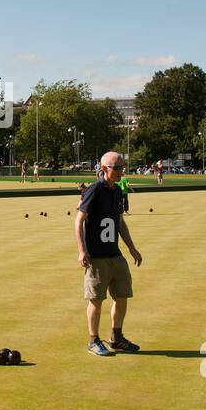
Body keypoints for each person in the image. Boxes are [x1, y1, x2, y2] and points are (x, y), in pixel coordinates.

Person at [75, 151, 143, 357]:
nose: (121, 171)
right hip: (96, 256)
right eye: (117, 168)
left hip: (115, 254)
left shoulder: (117, 191)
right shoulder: (95, 190)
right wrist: (82, 250)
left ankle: (117, 338)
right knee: (96, 299)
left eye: (122, 167)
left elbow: (119, 222)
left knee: (122, 295)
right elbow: (78, 220)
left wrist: (131, 247)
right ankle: (93, 340)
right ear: (104, 169)